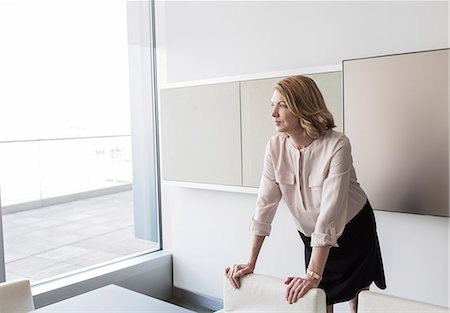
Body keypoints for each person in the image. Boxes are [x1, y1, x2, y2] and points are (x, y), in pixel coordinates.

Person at [225, 75, 386, 313]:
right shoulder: (275, 147)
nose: (274, 114)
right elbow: (264, 206)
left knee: (358, 296)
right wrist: (251, 263)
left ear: (302, 106)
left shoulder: (337, 144)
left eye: (282, 105)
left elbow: (330, 214)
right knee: (318, 296)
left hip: (352, 228)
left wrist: (313, 273)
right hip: (312, 235)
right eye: (273, 105)